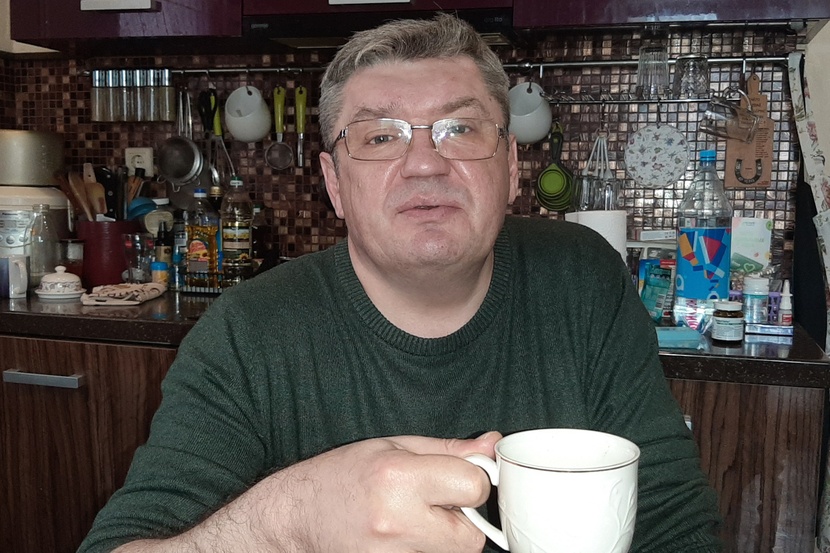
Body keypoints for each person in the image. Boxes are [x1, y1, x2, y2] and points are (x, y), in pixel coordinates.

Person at [79, 13, 721, 553]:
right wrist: (290, 520)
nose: (424, 164)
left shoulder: (585, 278)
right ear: (334, 183)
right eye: (380, 136)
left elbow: (672, 519)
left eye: (459, 129)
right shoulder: (245, 333)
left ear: (510, 166)